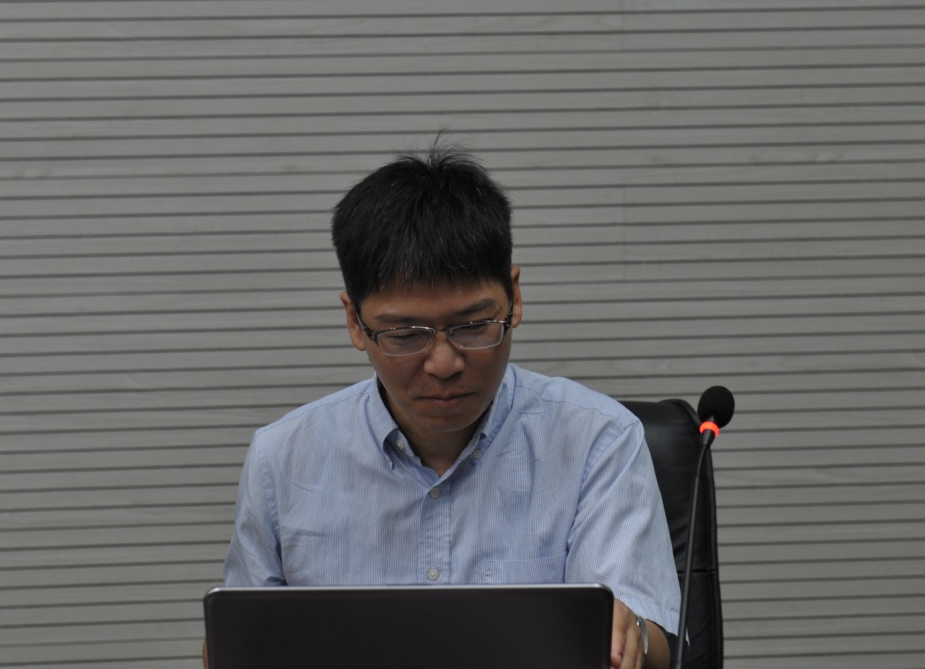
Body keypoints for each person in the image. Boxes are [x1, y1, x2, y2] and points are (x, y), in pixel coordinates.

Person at [222, 145, 681, 669]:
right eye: (404, 334)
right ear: (355, 322)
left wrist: (632, 636)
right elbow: (241, 642)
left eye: (473, 326)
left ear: (514, 297)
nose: (443, 363)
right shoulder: (281, 459)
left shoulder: (598, 440)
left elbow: (647, 638)